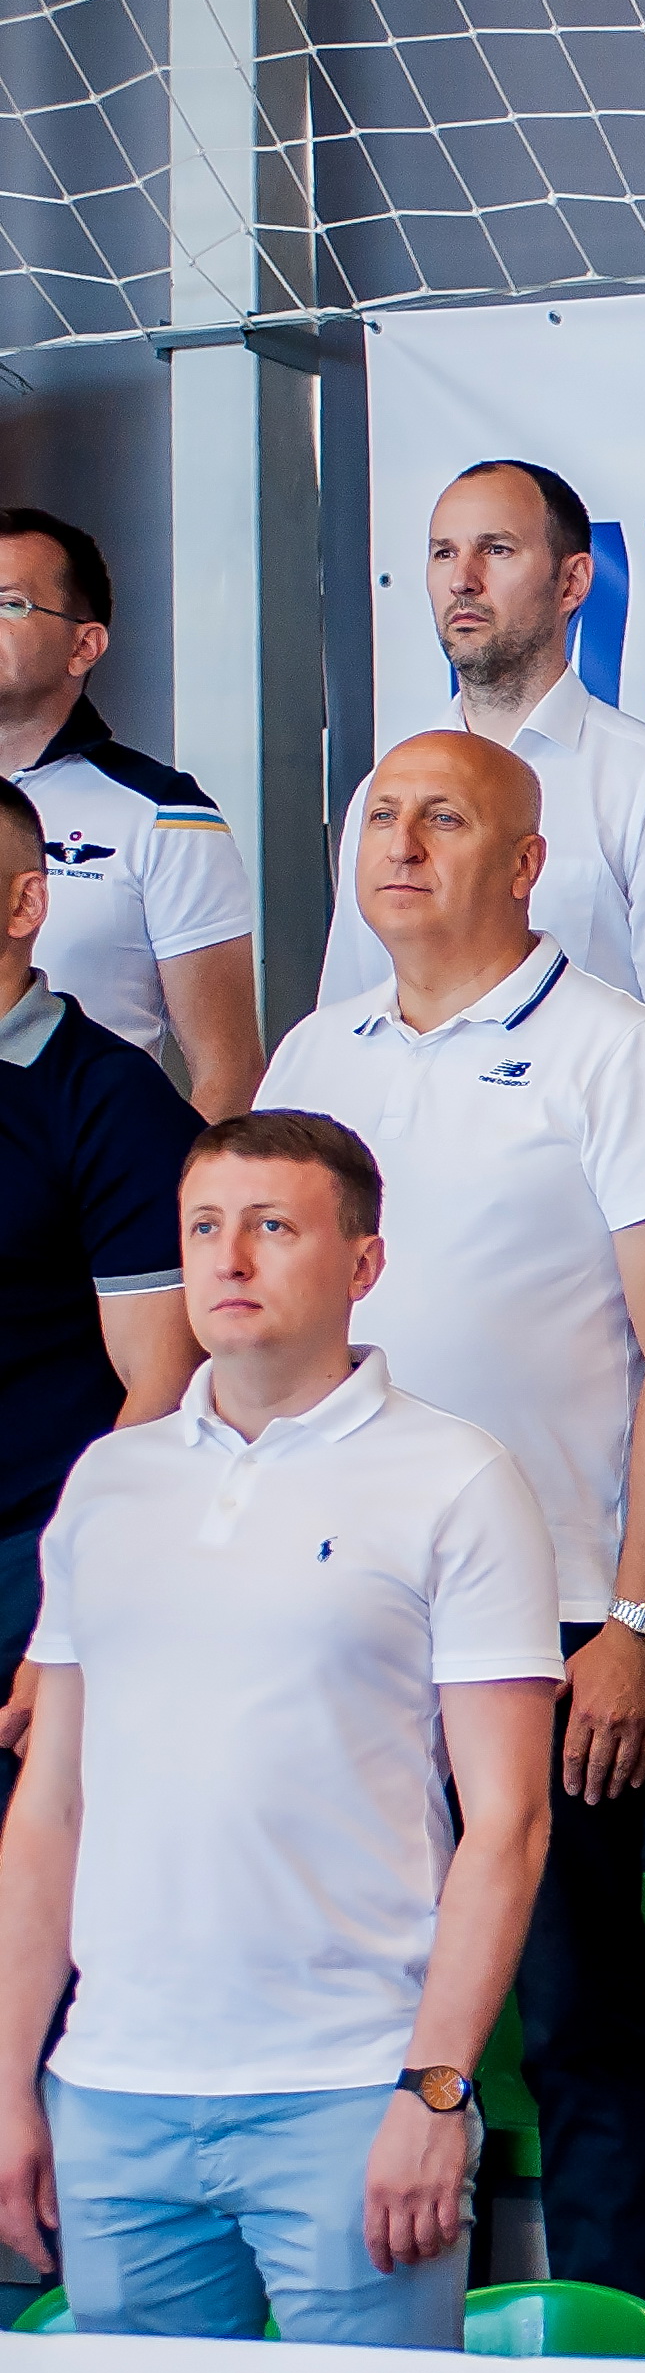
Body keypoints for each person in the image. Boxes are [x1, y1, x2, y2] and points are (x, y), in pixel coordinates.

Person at [255, 729, 645, 2324]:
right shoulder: (312, 1057)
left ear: (527, 863)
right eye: (382, 816)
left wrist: (644, 1625)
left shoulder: (622, 1054)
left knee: (581, 2015)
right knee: (358, 2021)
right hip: (337, 1621)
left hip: (554, 1624)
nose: (401, 844)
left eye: (444, 818)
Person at [0, 1113, 556, 2343]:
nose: (231, 1258)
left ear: (363, 1262)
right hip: (113, 2091)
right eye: (205, 1227)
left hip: (350, 2091)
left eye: (272, 1227)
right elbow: (51, 1809)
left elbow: (510, 1823)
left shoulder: (457, 1477)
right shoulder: (107, 1481)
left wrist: (436, 2088)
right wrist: (7, 2082)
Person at [326, 462, 645, 1089]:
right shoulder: (385, 791)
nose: (463, 581)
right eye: (444, 553)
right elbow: (345, 1028)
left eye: (496, 550)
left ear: (572, 581)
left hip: (580, 1149)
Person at [0, 776, 204, 1821]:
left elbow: (162, 1383)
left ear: (27, 903)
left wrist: (64, 1617)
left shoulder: (109, 1099)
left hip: (32, 1558)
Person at [0, 508, 257, 1116]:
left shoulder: (165, 814)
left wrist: (148, 1176)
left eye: (10, 604)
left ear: (83, 645)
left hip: (80, 1162)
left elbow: (229, 1072)